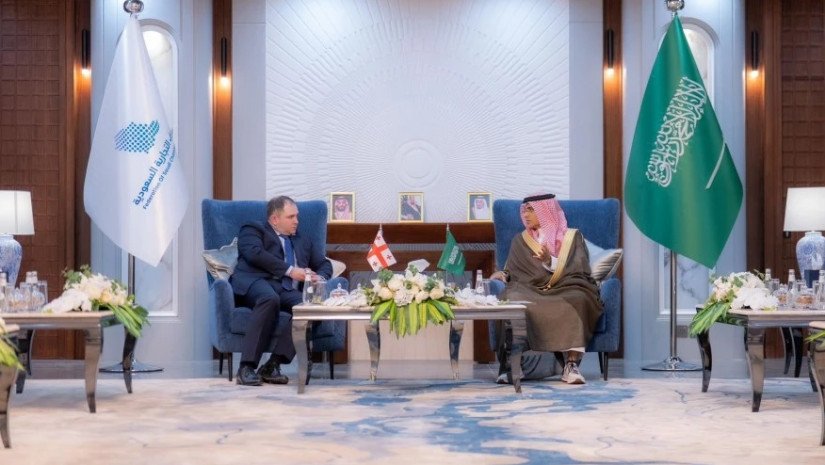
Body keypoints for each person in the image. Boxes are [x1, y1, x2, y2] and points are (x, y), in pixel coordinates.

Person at [490, 193, 602, 385]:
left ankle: (571, 365)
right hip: (530, 289)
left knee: (580, 297)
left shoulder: (572, 237)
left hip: (565, 287)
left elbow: (579, 268)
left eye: (531, 210)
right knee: (510, 297)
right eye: (524, 210)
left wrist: (550, 260)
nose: (525, 215)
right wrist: (504, 275)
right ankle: (511, 365)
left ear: (545, 211)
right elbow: (514, 271)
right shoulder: (520, 240)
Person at [230, 195, 333, 386]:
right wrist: (291, 271)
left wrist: (319, 278)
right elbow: (254, 254)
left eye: (297, 216)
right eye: (291, 217)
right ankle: (246, 368)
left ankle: (272, 364)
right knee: (269, 299)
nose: (297, 221)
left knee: (313, 309)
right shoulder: (253, 229)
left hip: (284, 289)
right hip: (256, 281)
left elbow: (324, 264)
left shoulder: (302, 239)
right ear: (275, 219)